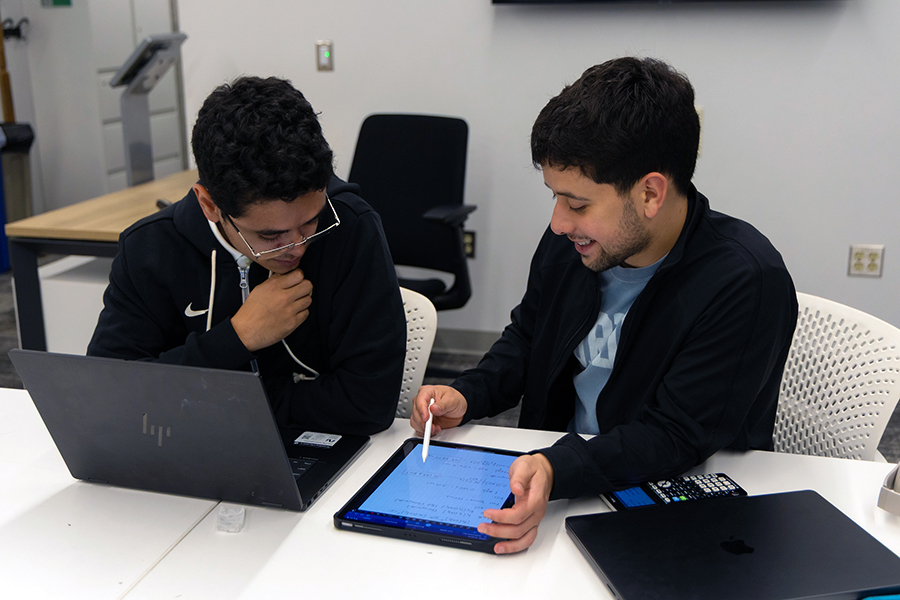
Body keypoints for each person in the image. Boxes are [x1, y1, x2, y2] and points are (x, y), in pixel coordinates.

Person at [411, 57, 797, 553]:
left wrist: (557, 467)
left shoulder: (745, 281)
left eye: (576, 204)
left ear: (650, 194)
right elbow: (530, 338)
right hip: (563, 486)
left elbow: (676, 436)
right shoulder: (576, 244)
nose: (557, 223)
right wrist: (469, 393)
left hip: (679, 507)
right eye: (555, 198)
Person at [89, 76, 407, 436]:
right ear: (209, 205)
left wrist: (200, 397)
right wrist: (237, 338)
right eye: (270, 236)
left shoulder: (350, 228)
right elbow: (110, 393)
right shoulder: (149, 249)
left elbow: (368, 405)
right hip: (190, 452)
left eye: (310, 222)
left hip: (311, 449)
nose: (298, 247)